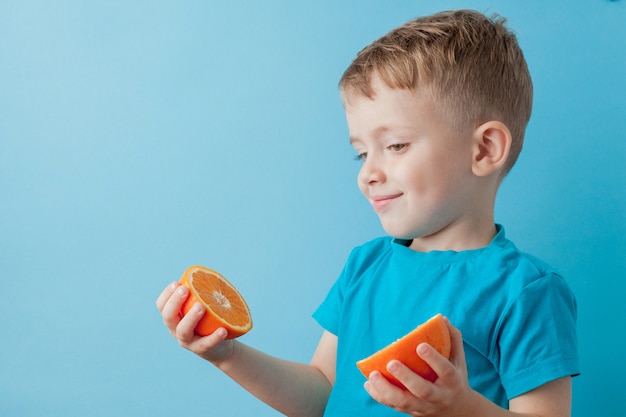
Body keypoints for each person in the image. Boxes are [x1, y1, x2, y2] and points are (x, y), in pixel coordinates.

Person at [156, 9, 579, 417]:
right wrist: (228, 354)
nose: (368, 175)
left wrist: (461, 409)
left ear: (484, 149)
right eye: (360, 154)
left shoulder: (527, 291)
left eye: (395, 145)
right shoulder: (365, 265)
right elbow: (322, 392)